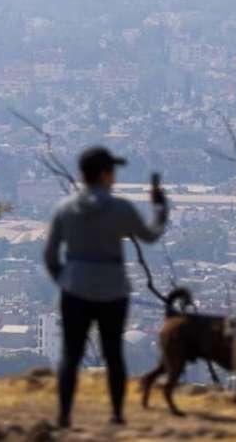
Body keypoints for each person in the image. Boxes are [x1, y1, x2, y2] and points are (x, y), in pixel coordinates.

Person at [43, 146, 169, 428]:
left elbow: (50, 256)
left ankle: (64, 415)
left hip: (74, 288)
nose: (114, 177)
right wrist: (160, 209)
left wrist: (66, 278)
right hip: (113, 290)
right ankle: (117, 414)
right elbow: (149, 236)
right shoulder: (120, 209)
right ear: (103, 175)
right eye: (112, 171)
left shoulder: (64, 210)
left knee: (70, 355)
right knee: (113, 354)